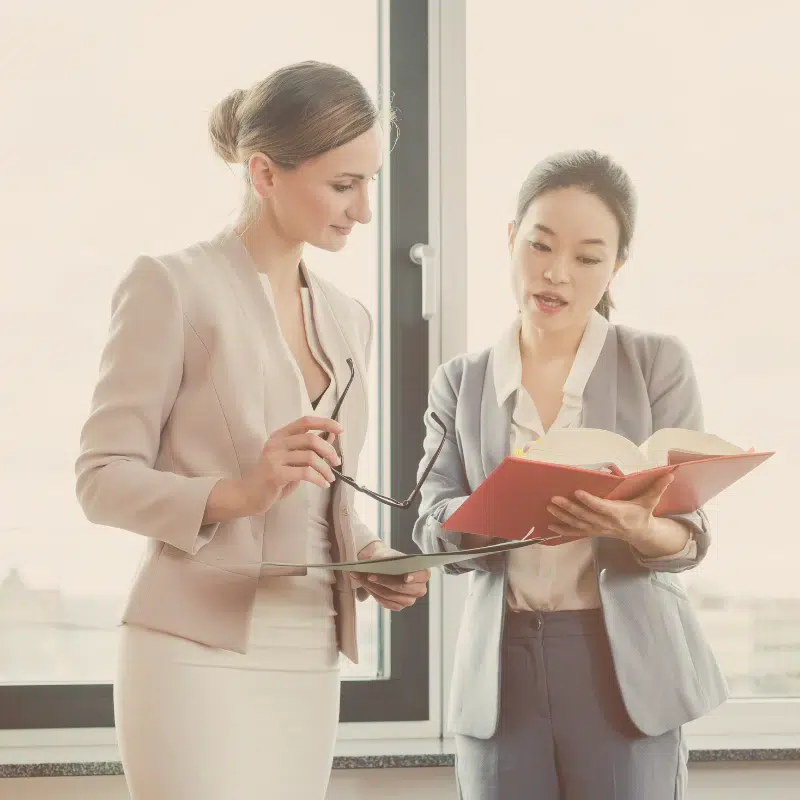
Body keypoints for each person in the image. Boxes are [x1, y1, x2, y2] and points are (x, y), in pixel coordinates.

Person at [75, 61, 430, 800]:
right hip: (189, 648)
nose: (364, 211)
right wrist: (238, 493)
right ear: (264, 173)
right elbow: (101, 478)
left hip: (308, 650)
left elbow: (322, 492)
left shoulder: (347, 317)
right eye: (343, 184)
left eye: (371, 182)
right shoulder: (171, 285)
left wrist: (368, 555)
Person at [413, 150, 728, 800]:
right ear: (510, 238)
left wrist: (638, 527)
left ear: (616, 266)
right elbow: (428, 520)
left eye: (587, 257)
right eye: (540, 245)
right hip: (501, 672)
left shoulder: (655, 364)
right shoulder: (461, 380)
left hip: (623, 666)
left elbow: (688, 535)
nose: (556, 273)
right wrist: (491, 516)